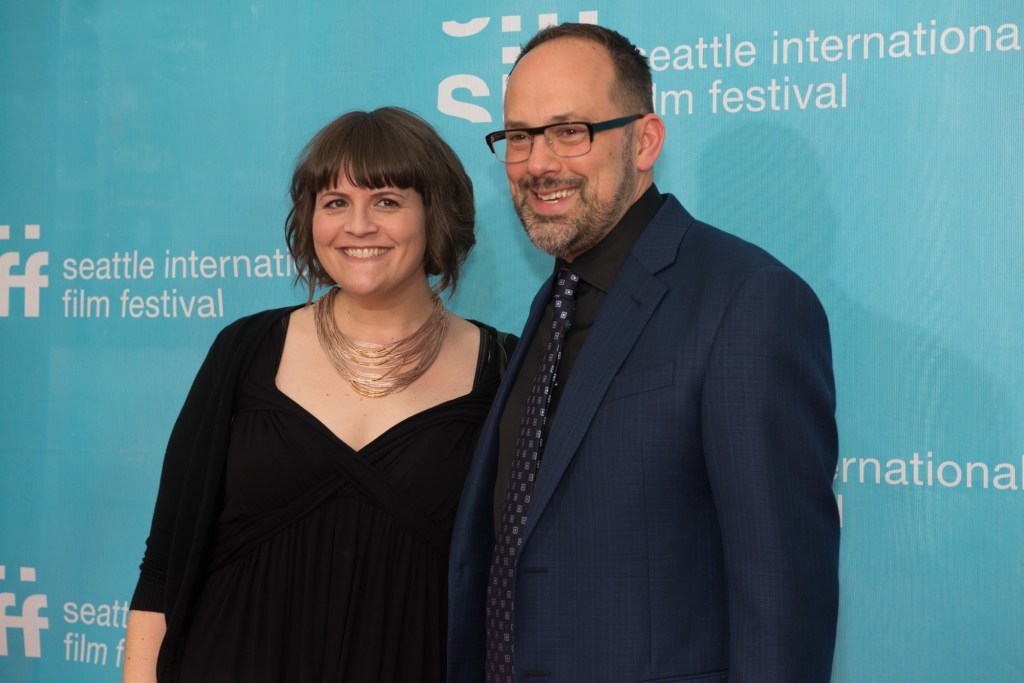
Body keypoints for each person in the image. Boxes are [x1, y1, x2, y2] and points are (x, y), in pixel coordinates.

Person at [447, 23, 840, 683]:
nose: (539, 162)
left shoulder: (747, 300)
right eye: (519, 135)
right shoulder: (554, 299)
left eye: (571, 131)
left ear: (645, 140)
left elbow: (781, 593)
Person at [124, 107, 514, 683]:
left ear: (435, 216)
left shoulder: (505, 369)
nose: (358, 226)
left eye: (386, 200)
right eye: (335, 203)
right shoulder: (245, 350)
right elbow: (165, 561)